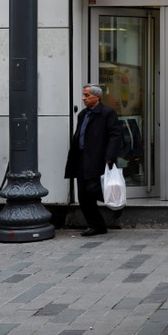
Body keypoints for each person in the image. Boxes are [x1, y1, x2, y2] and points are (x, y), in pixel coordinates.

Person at [65, 84, 122, 237]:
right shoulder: (82, 114)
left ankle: (117, 204)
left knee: (93, 189)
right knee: (83, 195)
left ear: (97, 97)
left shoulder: (107, 113)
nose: (83, 98)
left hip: (98, 159)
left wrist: (109, 157)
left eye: (87, 95)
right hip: (81, 159)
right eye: (83, 95)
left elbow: (115, 135)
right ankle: (96, 225)